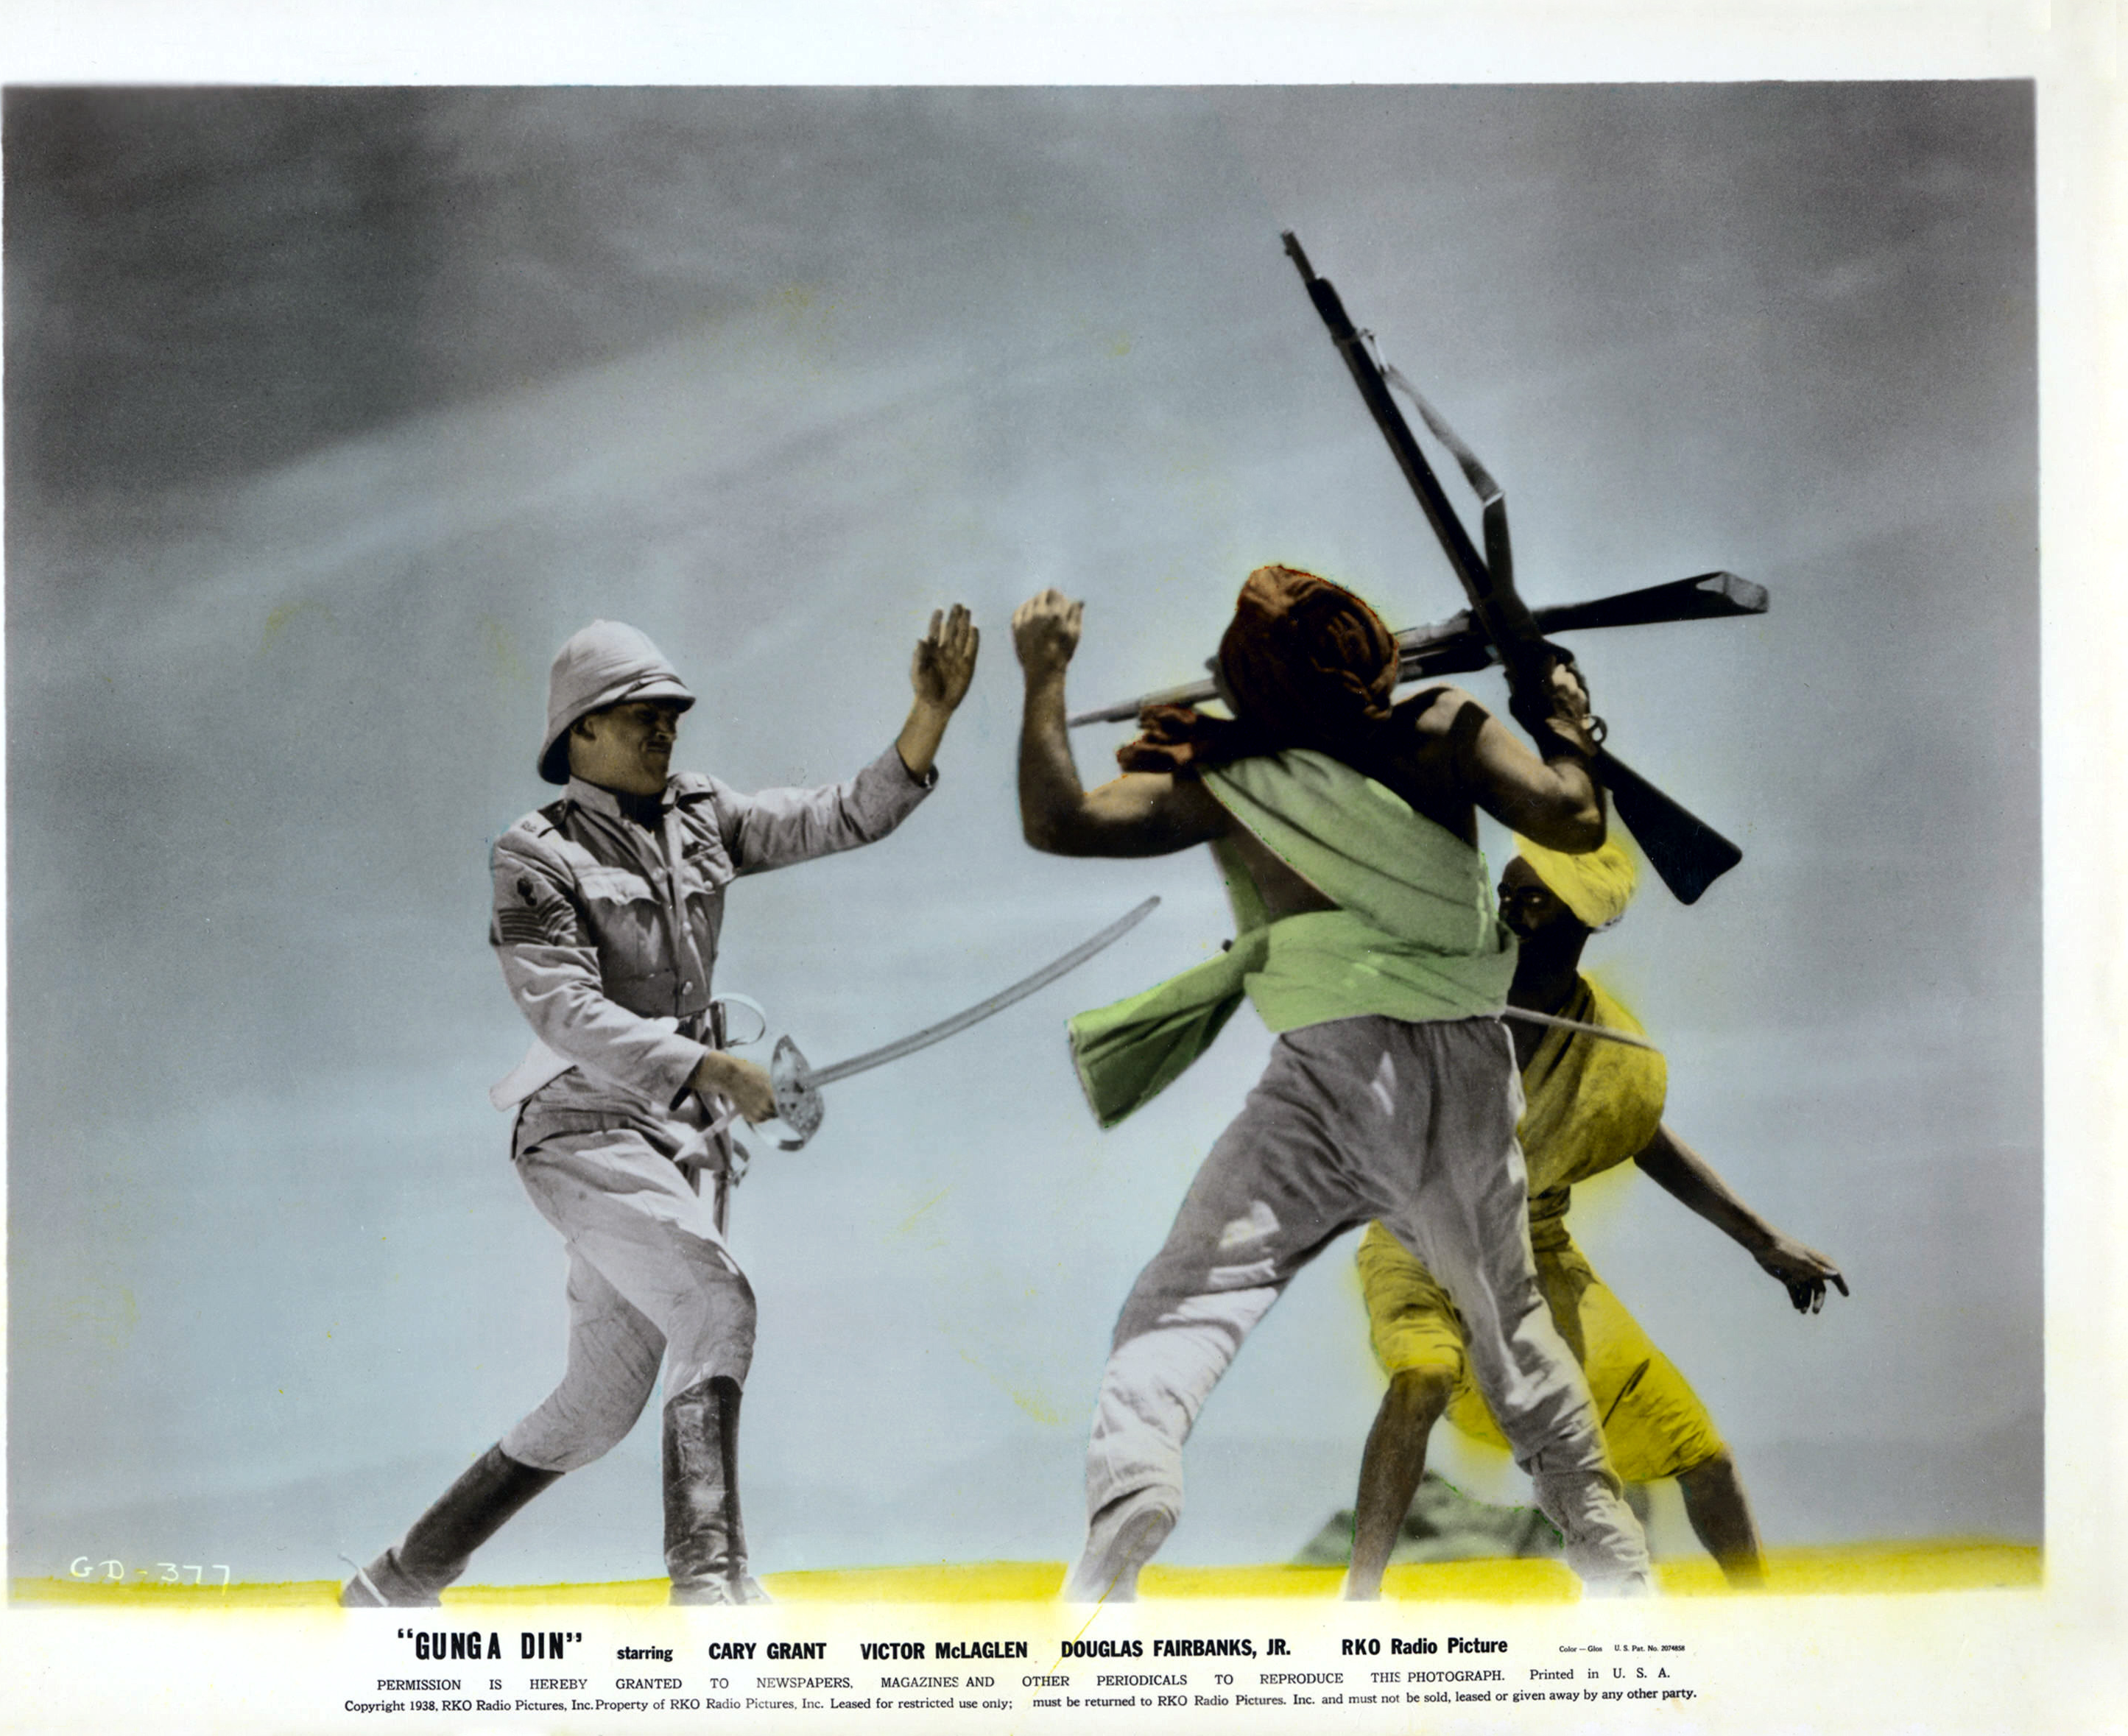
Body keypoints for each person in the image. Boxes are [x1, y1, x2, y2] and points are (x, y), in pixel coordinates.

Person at [1011, 564, 1652, 1601]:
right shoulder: (1444, 727)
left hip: (1331, 1068)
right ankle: (1607, 1544)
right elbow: (1575, 817)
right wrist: (1567, 718)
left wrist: (1044, 673)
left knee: (1192, 1290)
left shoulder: (1231, 775)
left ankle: (1135, 1476)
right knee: (1508, 1320)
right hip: (1463, 1065)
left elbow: (1059, 820)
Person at [342, 607, 979, 1607]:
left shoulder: (703, 814)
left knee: (597, 1405)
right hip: (579, 1133)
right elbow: (567, 1012)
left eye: (672, 712)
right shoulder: (533, 853)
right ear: (580, 731)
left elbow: (842, 815)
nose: (665, 728)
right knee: (717, 1301)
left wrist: (928, 716)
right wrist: (713, 1068)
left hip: (674, 1143)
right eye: (640, 712)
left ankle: (395, 1582)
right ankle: (709, 1589)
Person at [1346, 838, 1847, 1596]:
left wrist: (1764, 1242)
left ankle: (1761, 1622)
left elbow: (1641, 1135)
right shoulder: (1445, 989)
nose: (1509, 912)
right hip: (1418, 1242)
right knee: (1423, 1376)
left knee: (1700, 1453)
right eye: (1504, 895)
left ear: (1583, 914)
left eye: (1532, 899)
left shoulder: (1608, 1041)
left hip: (1536, 1252)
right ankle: (1358, 1601)